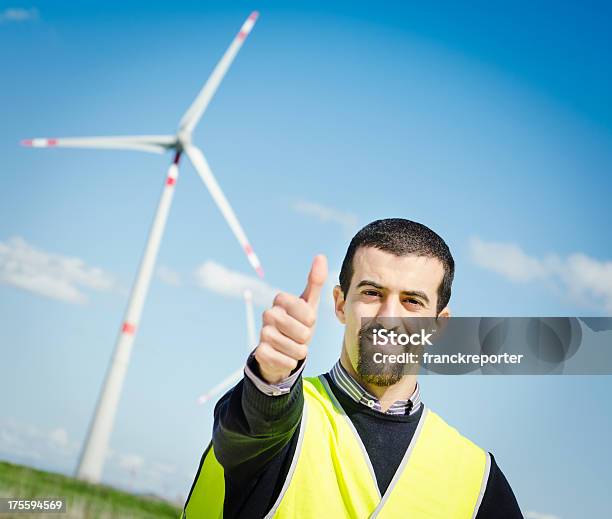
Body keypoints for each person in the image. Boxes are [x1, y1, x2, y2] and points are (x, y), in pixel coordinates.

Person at [182, 218, 523, 518]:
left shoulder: (478, 480)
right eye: (373, 293)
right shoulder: (282, 422)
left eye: (412, 301)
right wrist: (271, 378)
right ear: (341, 303)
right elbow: (255, 424)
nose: (389, 316)